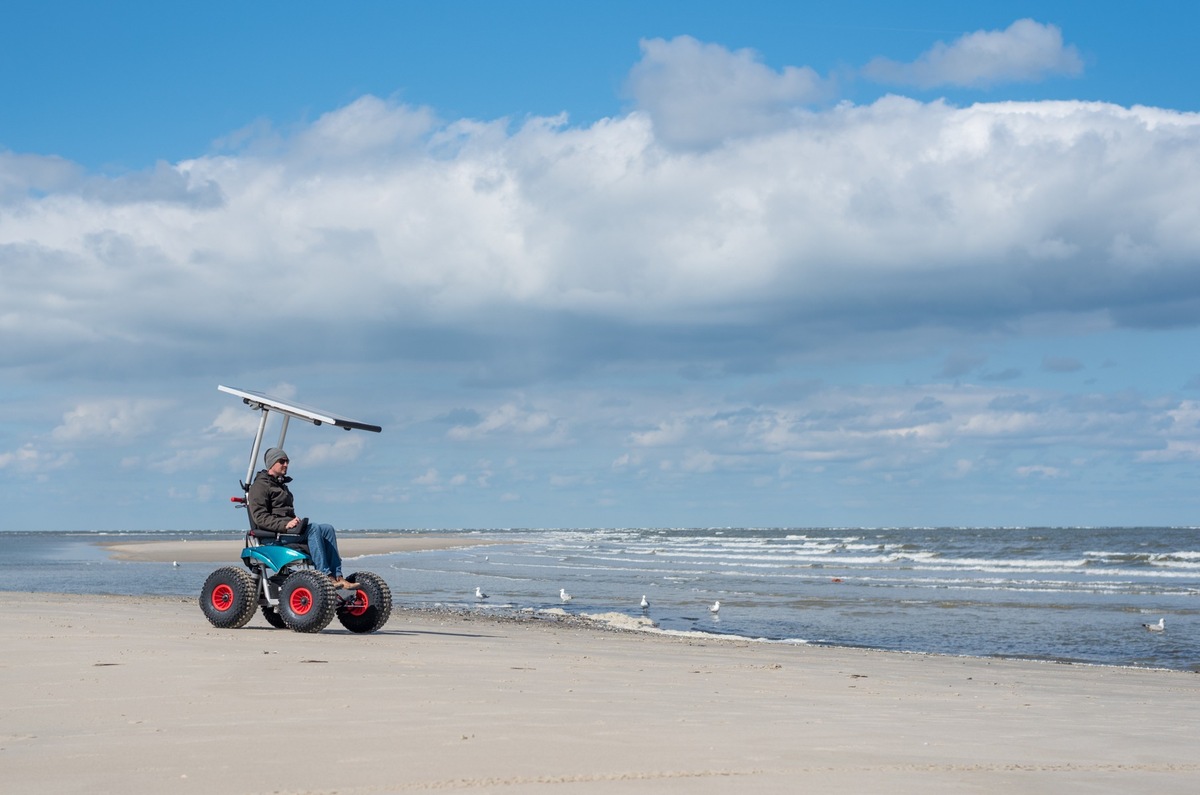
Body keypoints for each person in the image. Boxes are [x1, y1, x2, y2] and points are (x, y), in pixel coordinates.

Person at [247, 447, 358, 590]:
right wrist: (285, 524)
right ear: (271, 463)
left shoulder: (280, 485)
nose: (286, 464)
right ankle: (325, 576)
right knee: (313, 529)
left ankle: (338, 576)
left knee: (327, 529)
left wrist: (294, 521)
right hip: (273, 535)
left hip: (288, 531)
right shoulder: (260, 486)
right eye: (282, 461)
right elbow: (260, 518)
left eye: (287, 461)